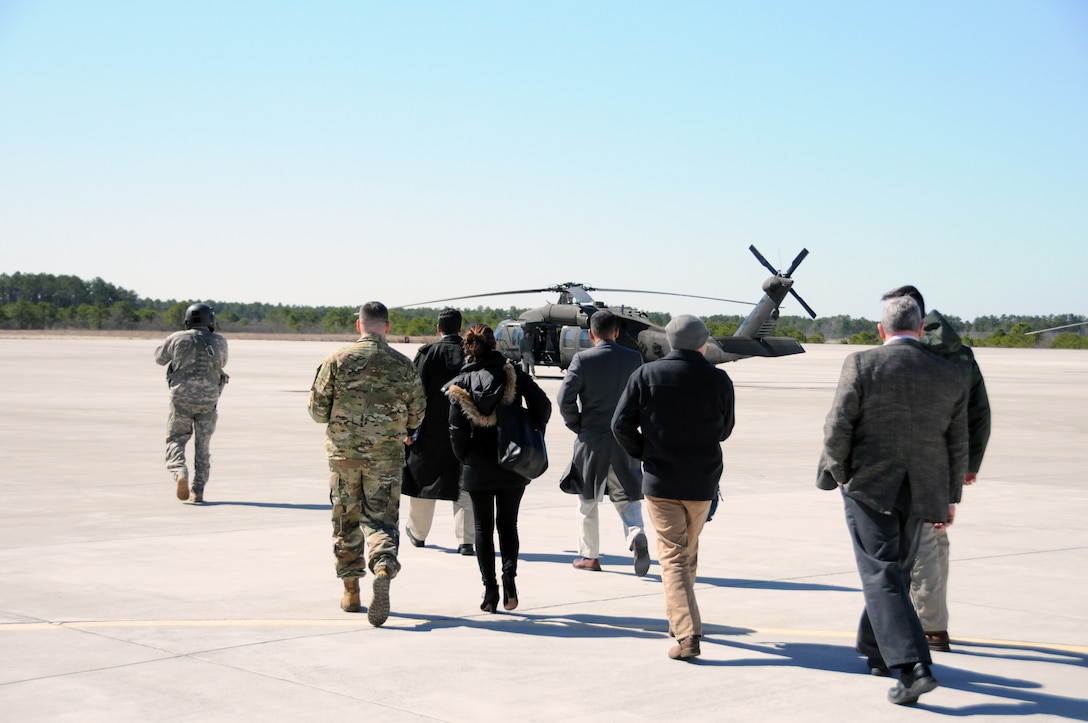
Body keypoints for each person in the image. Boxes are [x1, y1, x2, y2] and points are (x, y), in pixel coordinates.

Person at [817, 295, 968, 706]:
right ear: (920, 330)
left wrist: (842, 474)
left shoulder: (862, 364)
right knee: (893, 573)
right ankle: (877, 651)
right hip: (924, 489)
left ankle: (911, 667)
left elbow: (837, 426)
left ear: (881, 330)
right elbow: (958, 443)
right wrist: (950, 497)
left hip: (870, 487)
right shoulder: (949, 373)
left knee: (880, 573)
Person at [612, 315, 735, 661]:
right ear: (703, 343)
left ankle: (686, 634)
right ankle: (681, 616)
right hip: (702, 482)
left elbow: (620, 425)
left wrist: (645, 452)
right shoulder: (719, 379)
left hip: (661, 481)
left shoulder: (646, 375)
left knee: (675, 557)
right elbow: (725, 429)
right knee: (685, 552)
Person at [882, 285, 991, 653]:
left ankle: (927, 629)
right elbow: (979, 414)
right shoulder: (961, 354)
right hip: (945, 464)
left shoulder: (908, 355)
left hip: (907, 464)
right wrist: (969, 464)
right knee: (935, 542)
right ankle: (933, 624)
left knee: (907, 547)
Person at [308, 302, 426, 626]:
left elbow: (317, 412)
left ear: (358, 326)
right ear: (386, 327)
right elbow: (418, 413)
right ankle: (383, 566)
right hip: (386, 458)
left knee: (346, 521)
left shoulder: (336, 361)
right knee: (381, 522)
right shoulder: (403, 365)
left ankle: (351, 592)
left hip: (344, 458)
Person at [445, 323, 551, 613]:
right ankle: (510, 583)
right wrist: (528, 426)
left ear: (470, 348)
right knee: (508, 524)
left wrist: (465, 456)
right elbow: (543, 405)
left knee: (482, 527)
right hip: (512, 460)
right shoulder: (512, 372)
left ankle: (489, 591)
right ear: (494, 345)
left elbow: (455, 429)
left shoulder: (460, 384)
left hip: (477, 463)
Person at [557, 310, 649, 575]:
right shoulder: (634, 359)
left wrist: (578, 425)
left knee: (587, 500)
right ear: (617, 332)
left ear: (591, 334)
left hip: (592, 440)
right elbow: (643, 398)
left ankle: (589, 556)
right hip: (624, 441)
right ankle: (635, 535)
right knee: (627, 496)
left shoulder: (582, 360)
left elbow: (564, 400)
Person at [402, 308, 476, 556]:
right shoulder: (471, 353)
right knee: (464, 485)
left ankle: (418, 533)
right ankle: (466, 540)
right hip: (466, 429)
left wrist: (409, 428)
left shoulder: (427, 353)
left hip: (431, 430)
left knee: (424, 482)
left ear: (438, 329)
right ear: (460, 327)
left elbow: (413, 393)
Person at [154, 302, 229, 504]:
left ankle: (179, 471)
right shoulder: (220, 341)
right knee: (203, 446)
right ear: (210, 320)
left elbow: (159, 359)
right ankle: (198, 491)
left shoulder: (177, 338)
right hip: (209, 400)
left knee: (176, 438)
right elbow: (223, 363)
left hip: (181, 399)